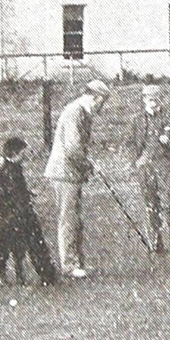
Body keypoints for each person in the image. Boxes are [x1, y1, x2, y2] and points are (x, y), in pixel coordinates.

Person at [44, 79, 111, 278]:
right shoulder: (75, 112)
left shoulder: (82, 112)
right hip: (64, 172)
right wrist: (87, 165)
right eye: (102, 102)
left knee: (74, 218)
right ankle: (69, 265)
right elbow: (73, 148)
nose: (102, 107)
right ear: (95, 97)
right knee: (69, 219)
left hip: (71, 173)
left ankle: (77, 262)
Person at [0, 136, 59, 285]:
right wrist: (18, 208)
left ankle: (26, 274)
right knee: (8, 247)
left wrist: (27, 195)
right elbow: (2, 197)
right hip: (10, 217)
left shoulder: (14, 169)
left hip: (18, 214)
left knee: (20, 247)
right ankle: (6, 274)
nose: (25, 156)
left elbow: (17, 191)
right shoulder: (3, 172)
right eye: (23, 153)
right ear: (14, 153)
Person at [127, 84, 170, 254]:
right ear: (144, 100)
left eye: (156, 99)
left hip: (166, 165)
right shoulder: (137, 120)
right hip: (145, 166)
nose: (153, 103)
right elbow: (130, 143)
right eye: (149, 99)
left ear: (161, 99)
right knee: (151, 203)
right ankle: (157, 241)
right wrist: (135, 161)